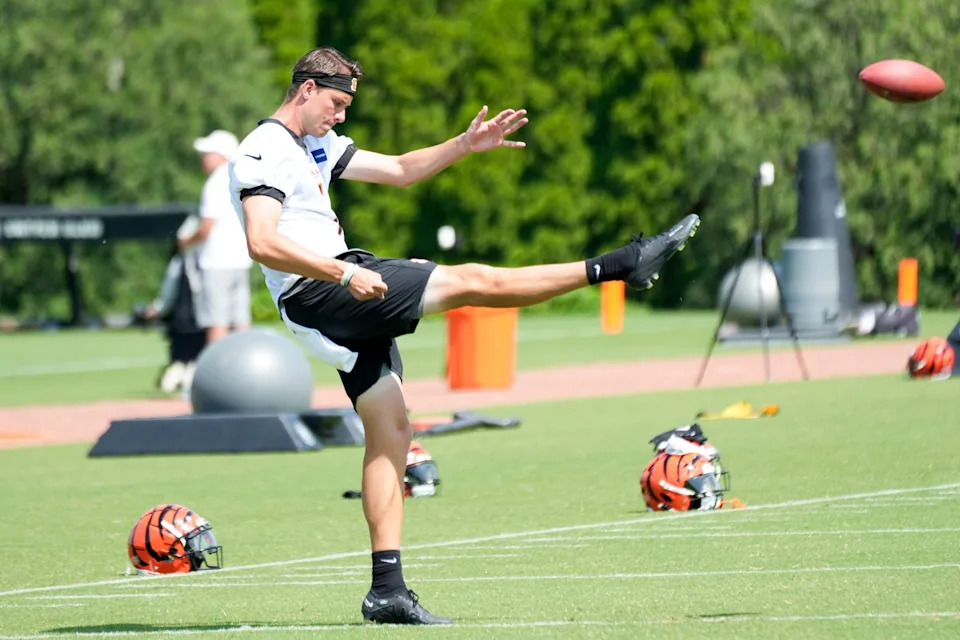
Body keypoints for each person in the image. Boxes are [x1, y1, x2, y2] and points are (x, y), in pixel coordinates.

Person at [229, 46, 700, 625]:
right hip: (321, 289)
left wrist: (463, 145)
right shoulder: (261, 150)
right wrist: (345, 272)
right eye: (336, 102)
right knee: (472, 280)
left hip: (338, 286)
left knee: (392, 430)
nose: (342, 115)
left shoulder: (313, 144)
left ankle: (387, 591)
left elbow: (401, 171)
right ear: (305, 89)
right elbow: (262, 241)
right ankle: (619, 266)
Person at [181, 129, 253, 344]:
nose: (203, 158)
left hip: (217, 261)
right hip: (241, 260)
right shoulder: (239, 176)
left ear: (221, 154)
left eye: (208, 153)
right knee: (241, 321)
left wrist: (185, 241)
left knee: (217, 321)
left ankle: (216, 374)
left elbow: (205, 228)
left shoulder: (215, 181)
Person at [142, 215, 206, 394]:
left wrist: (157, 309)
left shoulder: (180, 261)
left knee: (182, 358)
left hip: (183, 322)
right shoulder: (209, 259)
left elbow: (168, 293)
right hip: (201, 321)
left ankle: (182, 376)